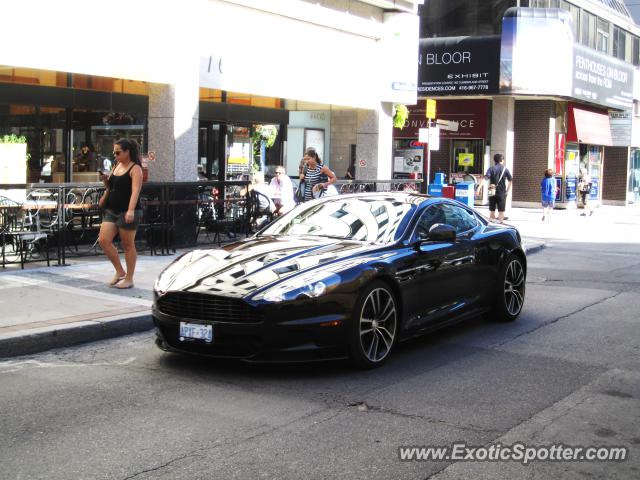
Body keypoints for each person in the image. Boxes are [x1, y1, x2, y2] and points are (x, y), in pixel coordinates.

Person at [97, 139, 143, 289]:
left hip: (127, 210)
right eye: (114, 152)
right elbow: (111, 187)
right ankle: (119, 270)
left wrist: (130, 210)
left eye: (118, 152)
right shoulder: (116, 166)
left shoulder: (135, 169)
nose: (115, 155)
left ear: (127, 152)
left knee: (127, 244)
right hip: (111, 209)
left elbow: (136, 191)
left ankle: (129, 278)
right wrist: (105, 180)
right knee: (104, 240)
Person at [480, 153, 512, 223]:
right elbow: (510, 181)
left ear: (494, 160)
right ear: (502, 160)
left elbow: (485, 178)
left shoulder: (491, 169)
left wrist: (479, 188)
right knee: (501, 211)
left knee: (492, 210)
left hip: (492, 191)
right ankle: (500, 223)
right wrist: (507, 191)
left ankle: (492, 223)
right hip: (501, 192)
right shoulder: (505, 169)